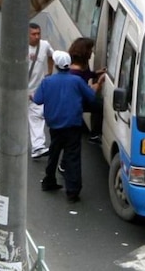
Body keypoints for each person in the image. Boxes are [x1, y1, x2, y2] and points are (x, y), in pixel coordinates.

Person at [33, 50, 103, 203]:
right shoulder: (76, 81)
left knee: (54, 152)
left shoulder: (47, 82)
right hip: (73, 124)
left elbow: (38, 100)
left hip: (55, 125)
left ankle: (49, 180)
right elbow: (91, 97)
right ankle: (72, 191)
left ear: (57, 65)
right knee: (72, 157)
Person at [67, 37, 102, 142]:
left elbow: (86, 74)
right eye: (90, 50)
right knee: (100, 107)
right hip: (76, 101)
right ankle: (94, 134)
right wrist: (99, 83)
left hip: (81, 97)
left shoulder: (83, 65)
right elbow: (89, 93)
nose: (92, 52)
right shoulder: (75, 72)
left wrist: (96, 73)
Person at [27, 23, 53, 158]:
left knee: (36, 116)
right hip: (19, 90)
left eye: (38, 34)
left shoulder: (45, 45)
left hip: (36, 90)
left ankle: (37, 147)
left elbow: (51, 56)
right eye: (33, 34)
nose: (37, 37)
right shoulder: (19, 47)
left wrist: (50, 72)